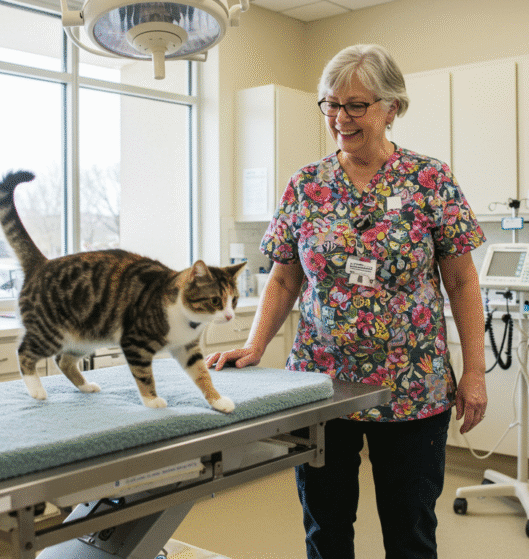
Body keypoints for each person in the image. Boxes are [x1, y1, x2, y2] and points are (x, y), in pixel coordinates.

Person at [206, 43, 488, 559]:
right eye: (331, 104)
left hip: (411, 387)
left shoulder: (430, 180)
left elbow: (463, 282)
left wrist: (474, 371)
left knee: (411, 534)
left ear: (391, 107)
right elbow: (284, 278)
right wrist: (253, 346)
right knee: (325, 530)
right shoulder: (307, 185)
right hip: (321, 385)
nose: (340, 117)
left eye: (355, 105)